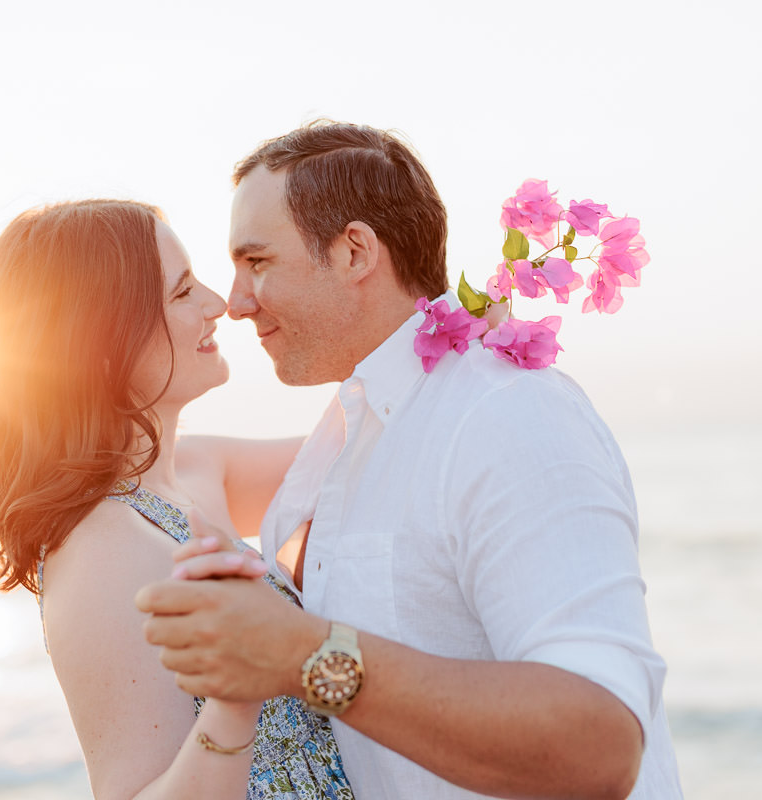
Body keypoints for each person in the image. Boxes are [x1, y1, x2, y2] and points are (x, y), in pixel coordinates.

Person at [137, 123, 684, 799]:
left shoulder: (505, 415)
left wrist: (300, 652)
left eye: (257, 262)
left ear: (355, 251)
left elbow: (598, 743)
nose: (237, 301)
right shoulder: (342, 436)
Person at [0, 200, 355, 799]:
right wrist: (231, 706)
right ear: (105, 342)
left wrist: (454, 324)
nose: (218, 304)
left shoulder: (194, 468)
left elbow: (361, 436)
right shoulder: (100, 549)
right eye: (184, 290)